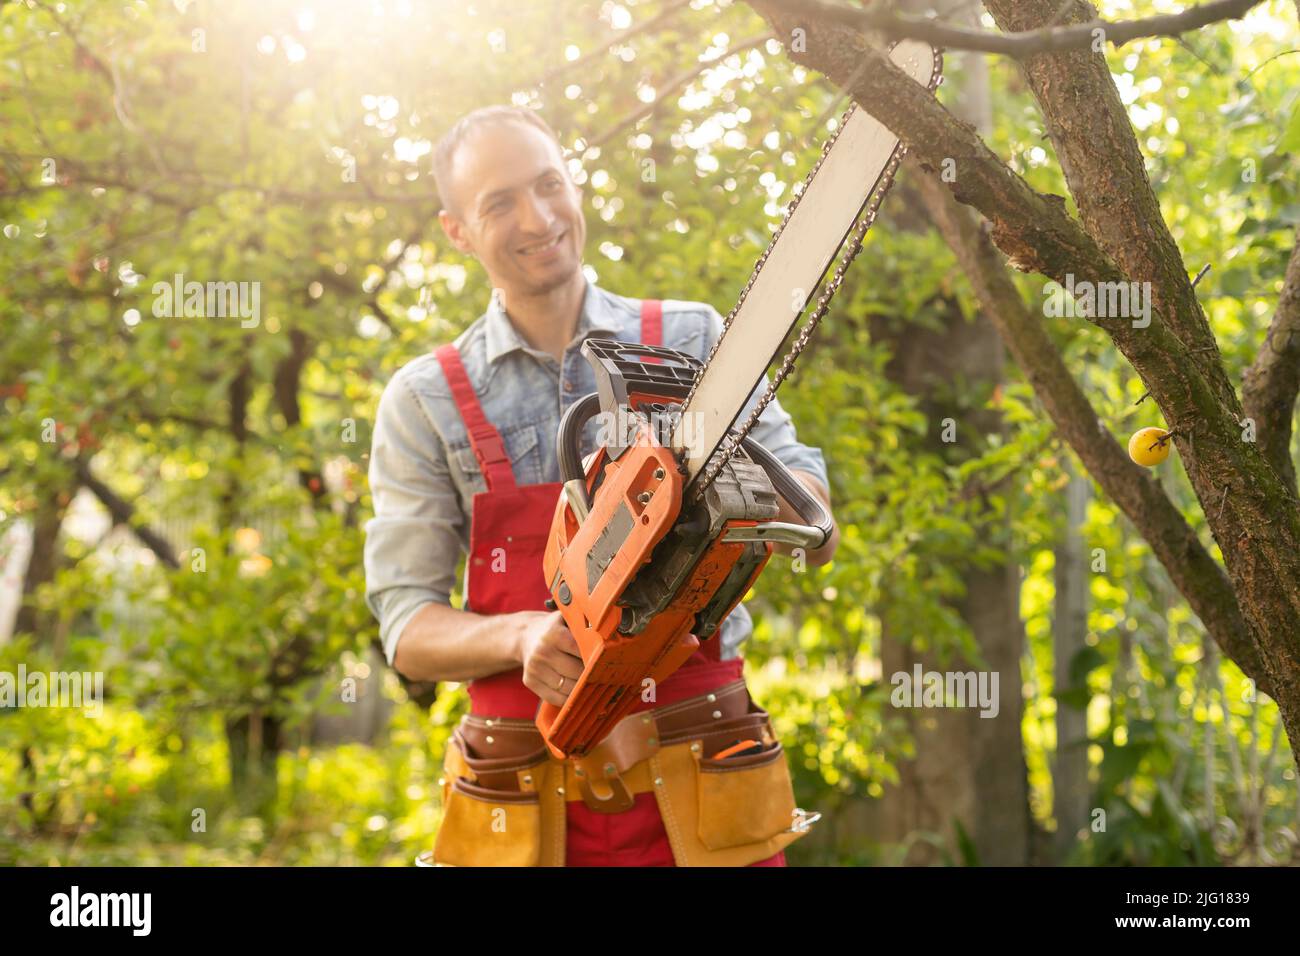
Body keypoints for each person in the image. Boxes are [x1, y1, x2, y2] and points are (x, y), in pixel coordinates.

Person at [364, 105, 840, 867]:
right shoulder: (425, 399)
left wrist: (719, 484)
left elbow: (812, 511)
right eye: (499, 203)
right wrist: (519, 634)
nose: (539, 216)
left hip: (704, 778)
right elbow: (407, 630)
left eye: (549, 184)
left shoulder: (687, 340)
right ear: (456, 229)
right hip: (520, 800)